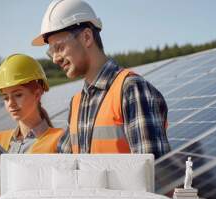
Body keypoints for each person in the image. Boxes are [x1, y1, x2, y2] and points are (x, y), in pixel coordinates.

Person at [32, 0, 170, 158]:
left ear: (86, 37)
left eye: (59, 47)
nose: (55, 59)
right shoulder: (77, 103)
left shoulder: (131, 90)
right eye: (51, 52)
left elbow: (154, 173)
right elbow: (64, 166)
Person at [0, 54, 63, 199]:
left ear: (37, 94)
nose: (11, 104)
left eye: (18, 95)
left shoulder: (60, 140)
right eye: (5, 98)